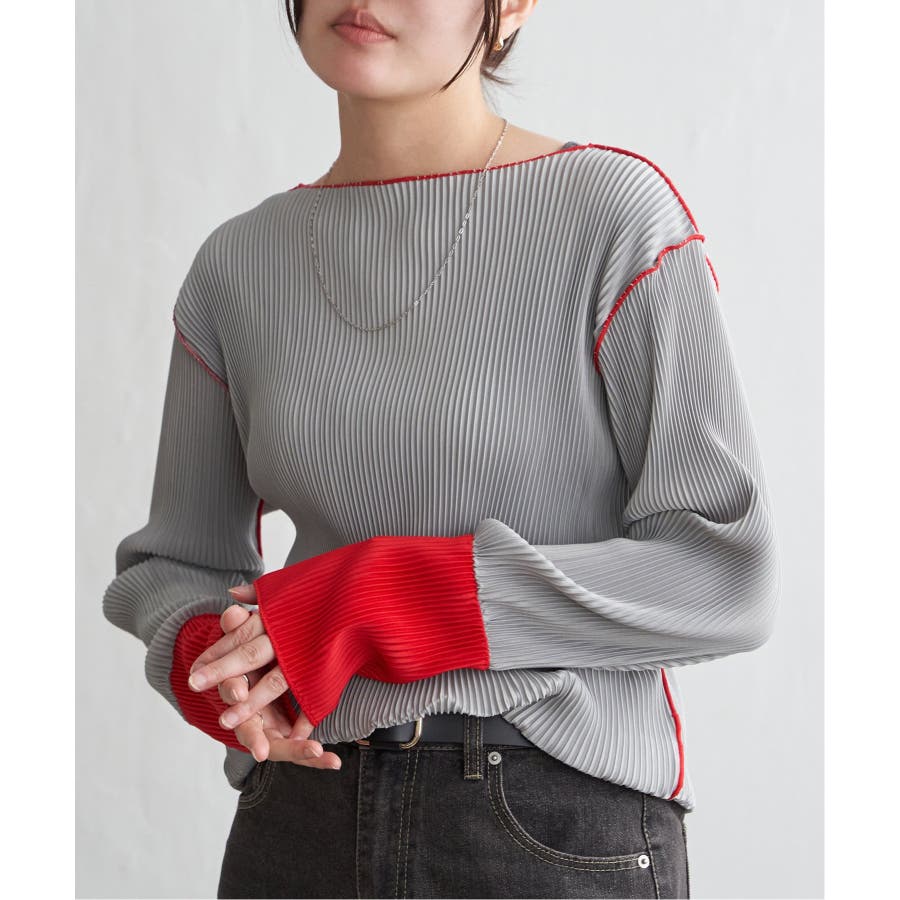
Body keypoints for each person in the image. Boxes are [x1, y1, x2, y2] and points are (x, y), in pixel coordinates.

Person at [102, 1, 782, 897]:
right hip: (298, 819)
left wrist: (383, 598)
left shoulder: (612, 215)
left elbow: (725, 576)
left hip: (544, 823)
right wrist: (210, 659)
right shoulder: (237, 265)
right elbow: (173, 561)